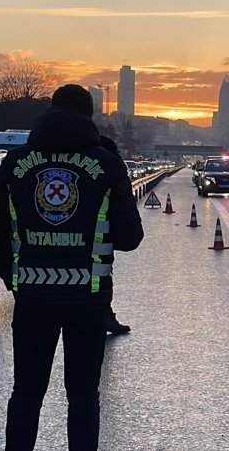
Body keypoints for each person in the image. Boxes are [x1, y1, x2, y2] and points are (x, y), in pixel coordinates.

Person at [0, 84, 144, 450]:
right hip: (88, 300)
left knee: (26, 393)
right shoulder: (105, 164)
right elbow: (130, 237)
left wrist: (18, 281)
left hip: (33, 299)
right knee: (83, 396)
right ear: (88, 116)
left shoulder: (15, 163)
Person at [99, 135, 132, 336]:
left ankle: (107, 316)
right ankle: (106, 318)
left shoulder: (24, 161)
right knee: (85, 362)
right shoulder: (108, 169)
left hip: (33, 287)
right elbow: (130, 236)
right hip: (92, 274)